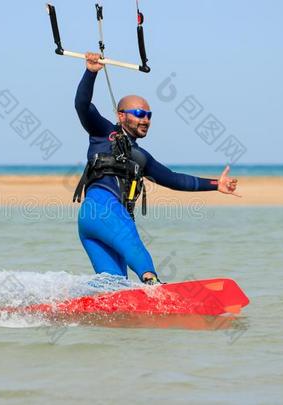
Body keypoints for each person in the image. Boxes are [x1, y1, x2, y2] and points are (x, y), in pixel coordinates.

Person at [74, 53, 239, 285]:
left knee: (112, 286)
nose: (146, 120)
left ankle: (75, 307)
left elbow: (174, 179)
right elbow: (82, 106)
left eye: (149, 116)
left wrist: (215, 185)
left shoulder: (142, 158)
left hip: (90, 219)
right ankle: (153, 284)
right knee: (134, 248)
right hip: (105, 209)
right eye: (140, 114)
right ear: (121, 115)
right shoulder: (103, 132)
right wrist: (91, 73)